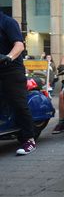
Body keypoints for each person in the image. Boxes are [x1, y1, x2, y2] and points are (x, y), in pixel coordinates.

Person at [0, 10, 36, 155]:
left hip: (11, 69)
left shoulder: (7, 22)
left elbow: (19, 45)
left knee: (19, 103)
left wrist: (9, 57)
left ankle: (29, 140)